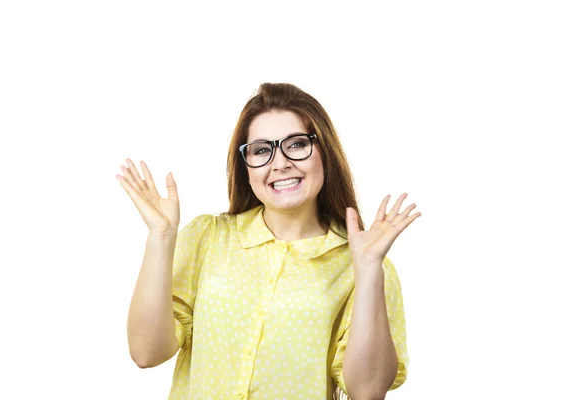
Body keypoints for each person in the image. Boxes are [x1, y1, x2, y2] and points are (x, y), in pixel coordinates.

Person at [117, 82, 421, 400]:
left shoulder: (366, 263)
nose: (280, 163)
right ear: (246, 167)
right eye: (262, 150)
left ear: (325, 152)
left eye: (297, 144)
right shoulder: (208, 238)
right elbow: (146, 353)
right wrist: (160, 238)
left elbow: (368, 392)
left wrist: (369, 271)